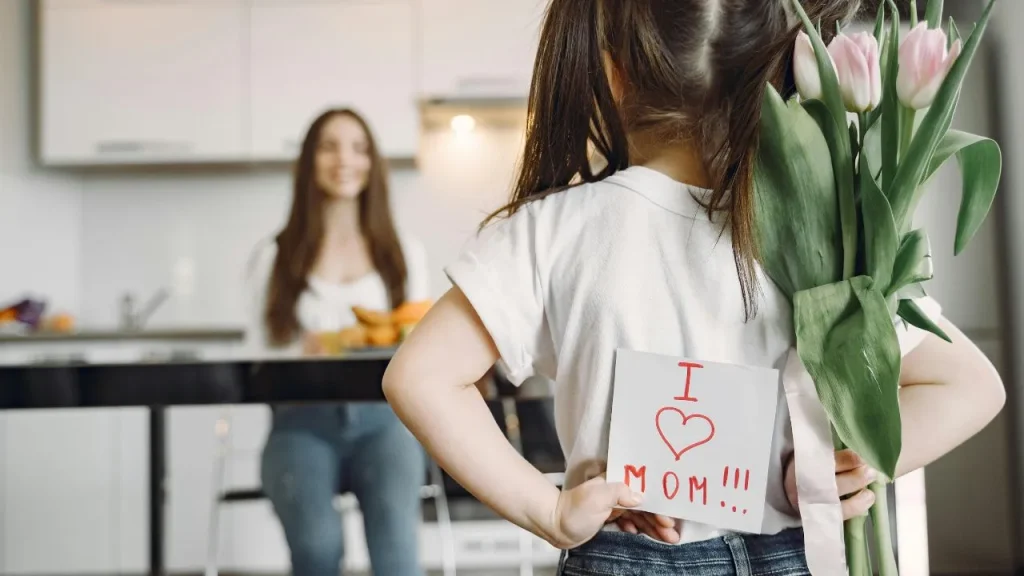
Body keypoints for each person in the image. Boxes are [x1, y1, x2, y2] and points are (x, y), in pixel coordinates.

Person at [380, 0, 1007, 574]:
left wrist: (549, 513)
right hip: (795, 550)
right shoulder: (822, 231)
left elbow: (419, 378)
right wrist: (853, 463)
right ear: (779, 77)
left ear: (614, 74)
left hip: (629, 552)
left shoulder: (550, 229)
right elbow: (970, 385)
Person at [247, 108, 428, 576]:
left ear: (373, 162)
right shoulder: (275, 255)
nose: (344, 159)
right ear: (309, 160)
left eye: (358, 147)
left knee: (397, 553)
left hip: (386, 422)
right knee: (317, 548)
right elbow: (254, 352)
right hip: (300, 421)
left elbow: (421, 344)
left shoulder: (403, 251)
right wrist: (297, 351)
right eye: (329, 146)